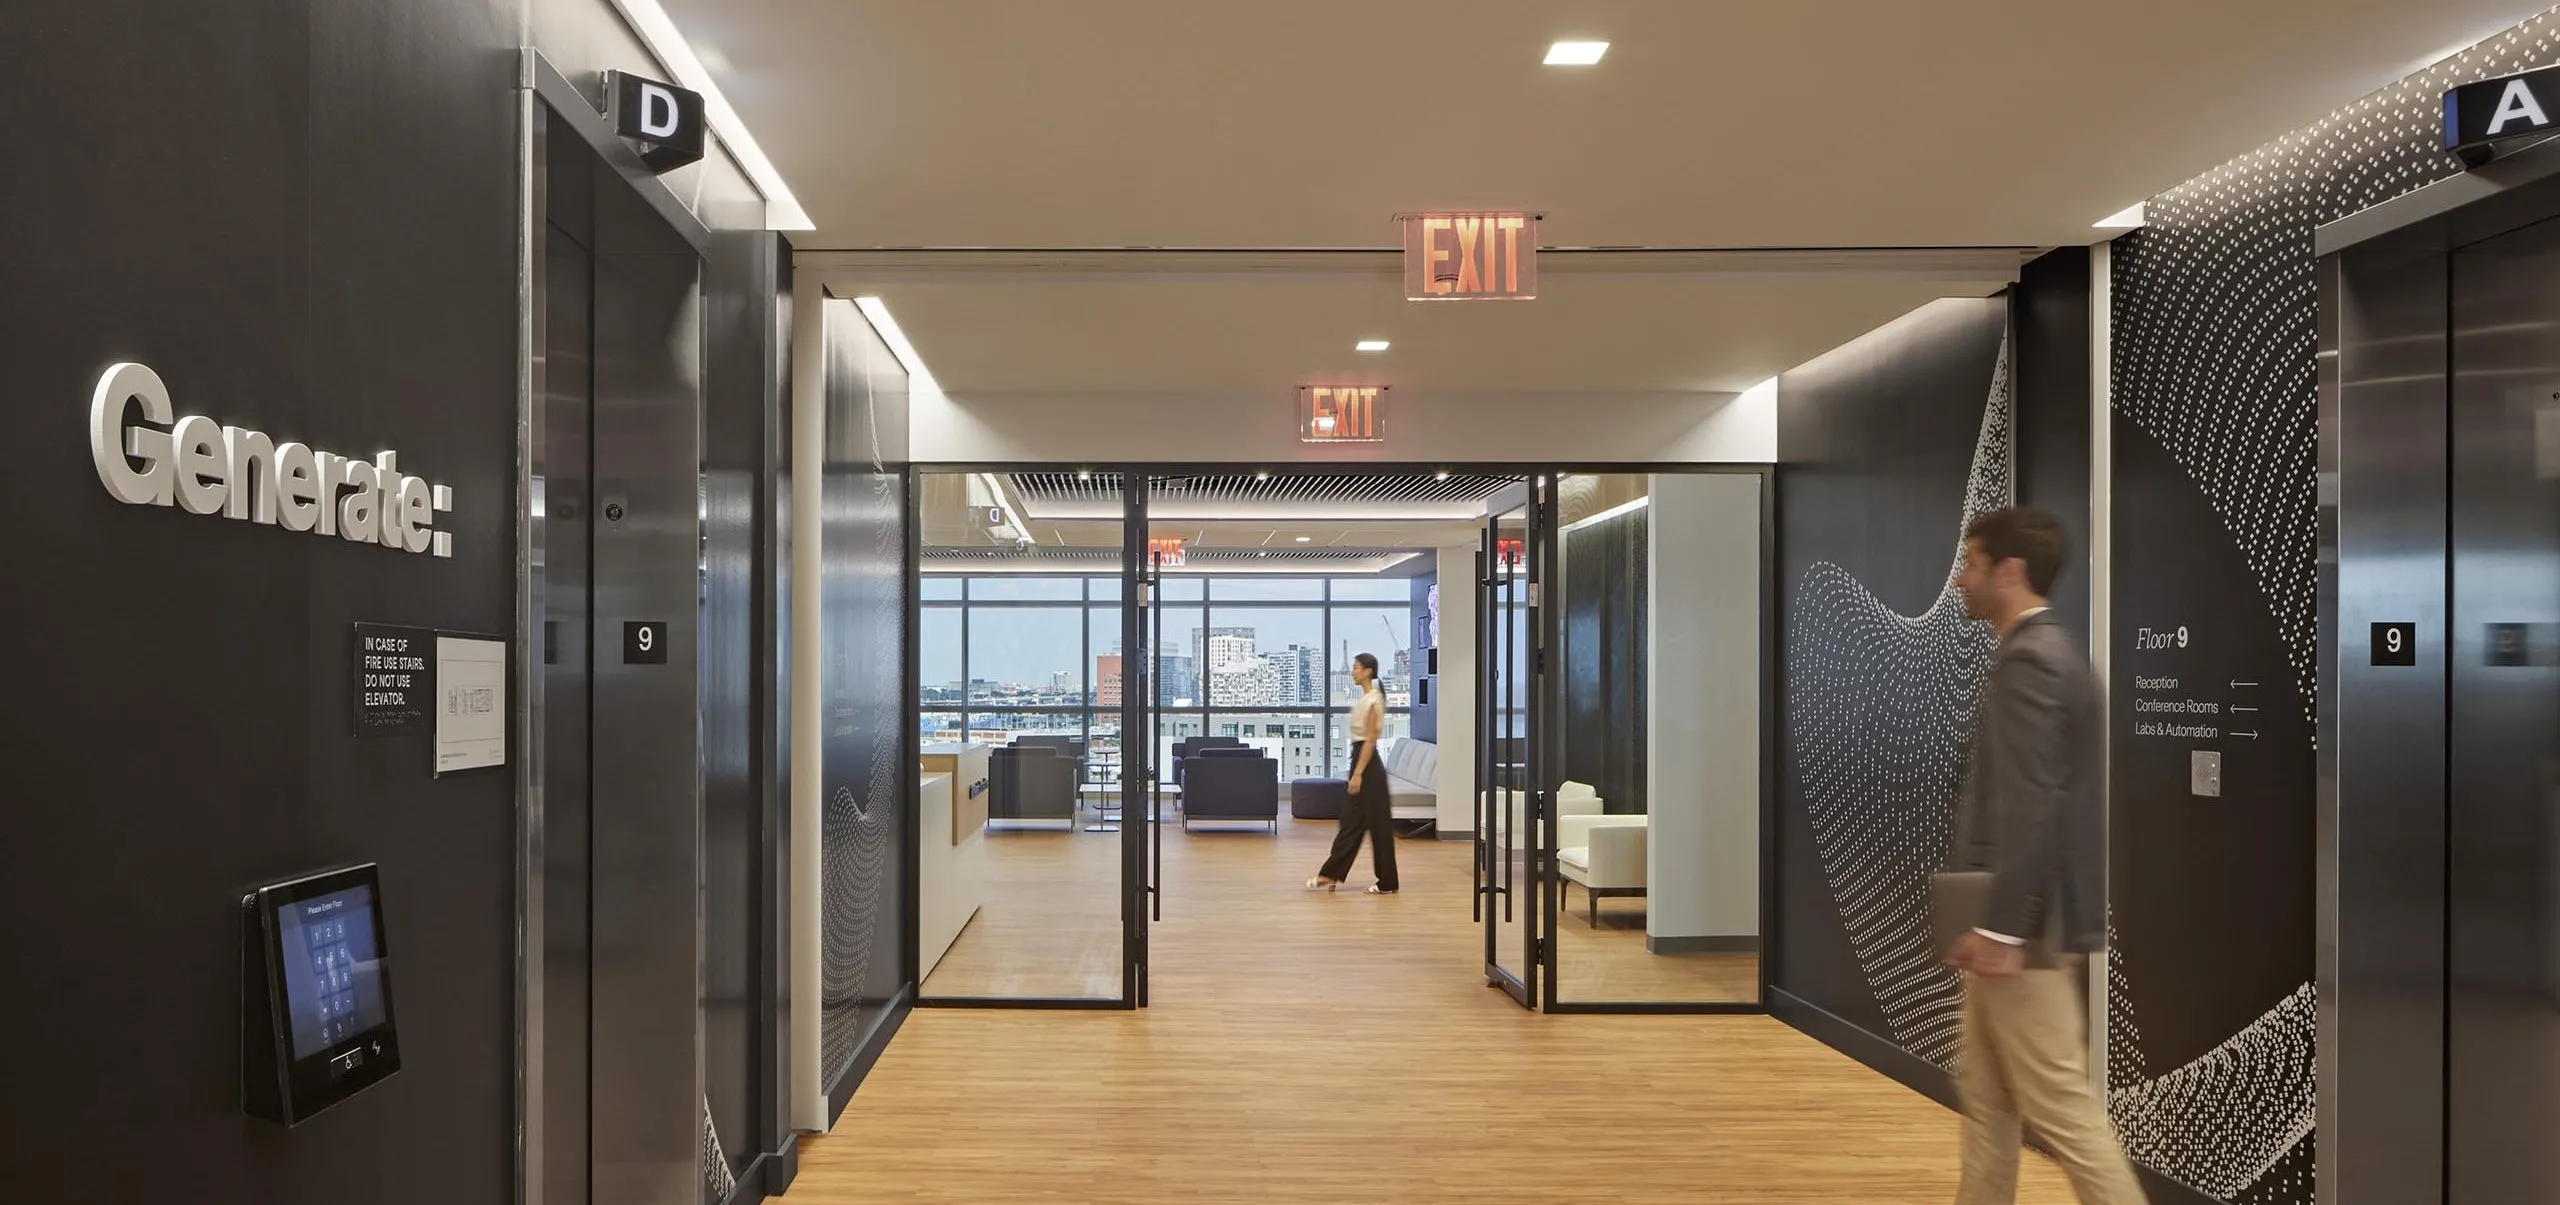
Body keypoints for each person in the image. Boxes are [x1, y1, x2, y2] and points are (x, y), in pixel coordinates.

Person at [1944, 507, 2145, 1205]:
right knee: (1989, 1098)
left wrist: (2002, 928)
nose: (1961, 577)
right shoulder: (2049, 653)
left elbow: (2034, 806)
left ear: (2011, 570)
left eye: (1970, 562)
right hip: (2017, 929)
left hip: (2023, 934)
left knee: (2062, 1108)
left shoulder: (2032, 661)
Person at [1308, 651, 1399, 895]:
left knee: (1378, 826)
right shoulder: (1367, 698)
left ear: (1368, 671)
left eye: (1357, 667)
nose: (1353, 671)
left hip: (1367, 764)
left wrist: (1358, 774)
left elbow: (1370, 740)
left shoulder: (1374, 700)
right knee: (1351, 822)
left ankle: (1386, 882)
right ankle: (1331, 874)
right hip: (1360, 760)